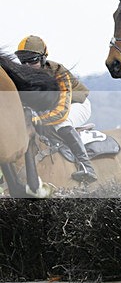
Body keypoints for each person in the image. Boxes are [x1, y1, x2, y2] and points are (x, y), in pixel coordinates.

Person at [15, 35, 97, 183]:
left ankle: (86, 167)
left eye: (32, 61)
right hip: (49, 107)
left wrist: (38, 119)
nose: (26, 66)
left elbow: (61, 112)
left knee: (61, 124)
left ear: (43, 58)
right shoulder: (20, 76)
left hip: (76, 104)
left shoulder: (59, 72)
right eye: (23, 61)